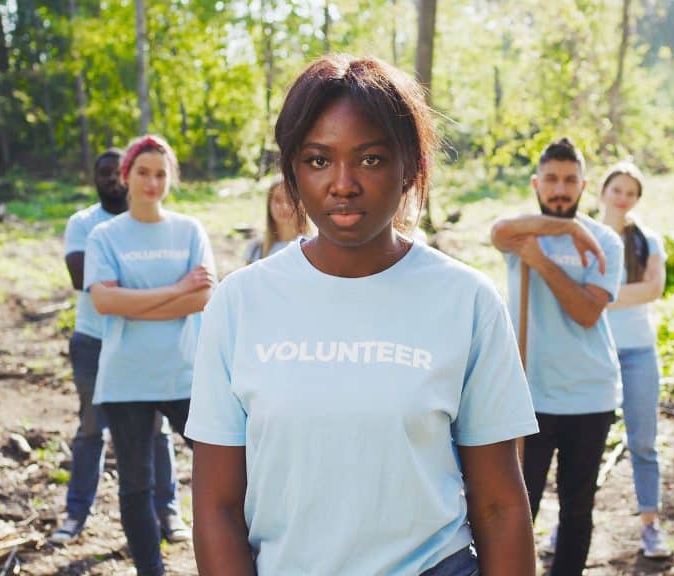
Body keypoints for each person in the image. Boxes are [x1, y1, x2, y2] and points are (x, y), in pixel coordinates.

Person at [187, 54, 540, 575]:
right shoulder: (240, 304)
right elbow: (216, 509)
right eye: (318, 160)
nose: (343, 183)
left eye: (370, 159)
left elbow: (500, 506)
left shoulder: (466, 300)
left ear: (409, 168)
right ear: (292, 171)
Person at [84, 134, 216, 576]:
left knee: (225, 470)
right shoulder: (105, 235)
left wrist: (137, 299)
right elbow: (104, 303)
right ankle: (150, 570)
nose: (152, 182)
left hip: (186, 374)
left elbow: (203, 298)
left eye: (161, 174)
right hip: (127, 378)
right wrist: (177, 289)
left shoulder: (189, 229)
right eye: (143, 172)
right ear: (126, 176)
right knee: (136, 486)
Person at [491, 137, 623, 575]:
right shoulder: (521, 232)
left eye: (570, 180)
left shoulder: (606, 241)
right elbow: (496, 232)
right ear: (536, 183)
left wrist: (544, 262)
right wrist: (565, 230)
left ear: (584, 185)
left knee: (576, 507)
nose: (560, 189)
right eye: (551, 179)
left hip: (589, 394)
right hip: (530, 394)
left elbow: (586, 312)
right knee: (518, 505)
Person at [50, 149, 189, 545]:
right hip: (95, 341)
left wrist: (128, 297)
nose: (112, 179)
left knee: (158, 432)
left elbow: (199, 291)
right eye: (104, 172)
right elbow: (83, 281)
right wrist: (169, 293)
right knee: (91, 428)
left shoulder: (167, 227)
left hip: (148, 347)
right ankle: (77, 514)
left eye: (117, 172)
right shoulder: (87, 225)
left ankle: (169, 512)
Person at [598, 161, 672, 558]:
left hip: (639, 352)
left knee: (644, 442)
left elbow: (653, 289)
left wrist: (598, 294)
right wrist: (624, 291)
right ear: (602, 191)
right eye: (617, 189)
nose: (623, 197)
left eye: (631, 192)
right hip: (594, 351)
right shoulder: (583, 235)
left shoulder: (647, 240)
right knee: (585, 444)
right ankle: (570, 524)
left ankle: (651, 524)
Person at [243, 178, 309, 264]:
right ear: (269, 204)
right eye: (278, 200)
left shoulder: (313, 248)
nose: (284, 206)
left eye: (290, 199)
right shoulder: (256, 249)